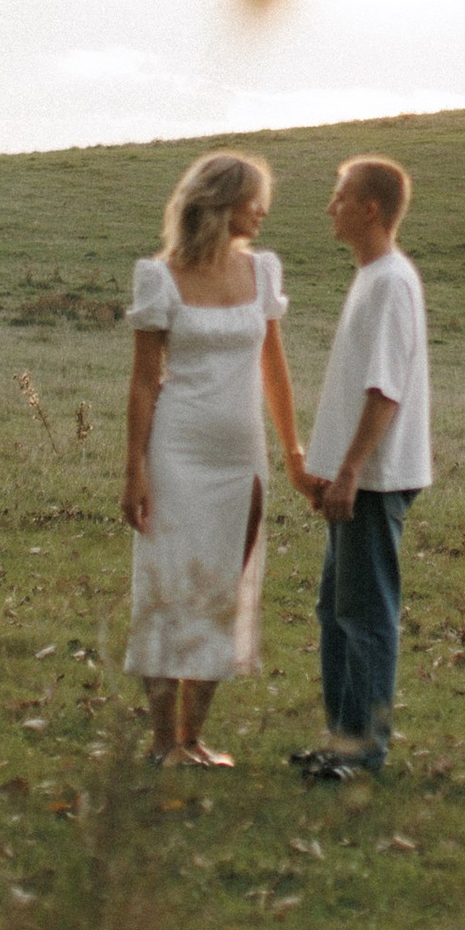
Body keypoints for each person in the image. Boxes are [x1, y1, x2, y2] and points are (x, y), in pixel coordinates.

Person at [122, 149, 314, 766]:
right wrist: (135, 469)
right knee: (169, 585)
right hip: (176, 452)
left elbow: (275, 370)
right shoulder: (159, 277)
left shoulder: (263, 272)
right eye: (253, 198)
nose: (262, 211)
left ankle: (193, 739)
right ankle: (160, 744)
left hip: (242, 456)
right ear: (221, 202)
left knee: (224, 590)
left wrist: (291, 448)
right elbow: (143, 380)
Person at [296, 155, 431, 782]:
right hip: (355, 477)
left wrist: (350, 471)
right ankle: (342, 738)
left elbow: (385, 391)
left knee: (367, 616)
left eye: (339, 195)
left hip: (375, 480)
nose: (331, 207)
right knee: (336, 611)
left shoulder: (391, 282)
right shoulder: (371, 277)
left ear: (369, 209)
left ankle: (363, 753)